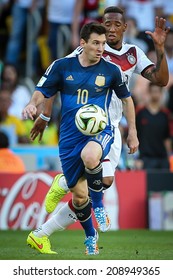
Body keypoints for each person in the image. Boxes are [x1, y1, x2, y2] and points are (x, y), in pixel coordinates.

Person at [23, 6, 169, 254]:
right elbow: (57, 79)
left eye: (116, 25)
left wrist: (161, 49)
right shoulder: (86, 48)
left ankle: (63, 197)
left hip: (108, 125)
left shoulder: (133, 53)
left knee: (101, 182)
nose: (111, 29)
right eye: (107, 23)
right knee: (87, 191)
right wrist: (45, 115)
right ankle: (52, 224)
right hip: (80, 125)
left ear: (125, 28)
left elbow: (161, 80)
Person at [135, 82, 172, 171]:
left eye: (157, 91)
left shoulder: (166, 115)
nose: (155, 94)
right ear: (149, 92)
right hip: (145, 159)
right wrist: (136, 158)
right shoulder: (140, 112)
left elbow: (167, 138)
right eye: (153, 91)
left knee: (164, 185)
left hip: (162, 159)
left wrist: (168, 157)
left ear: (161, 93)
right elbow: (135, 135)